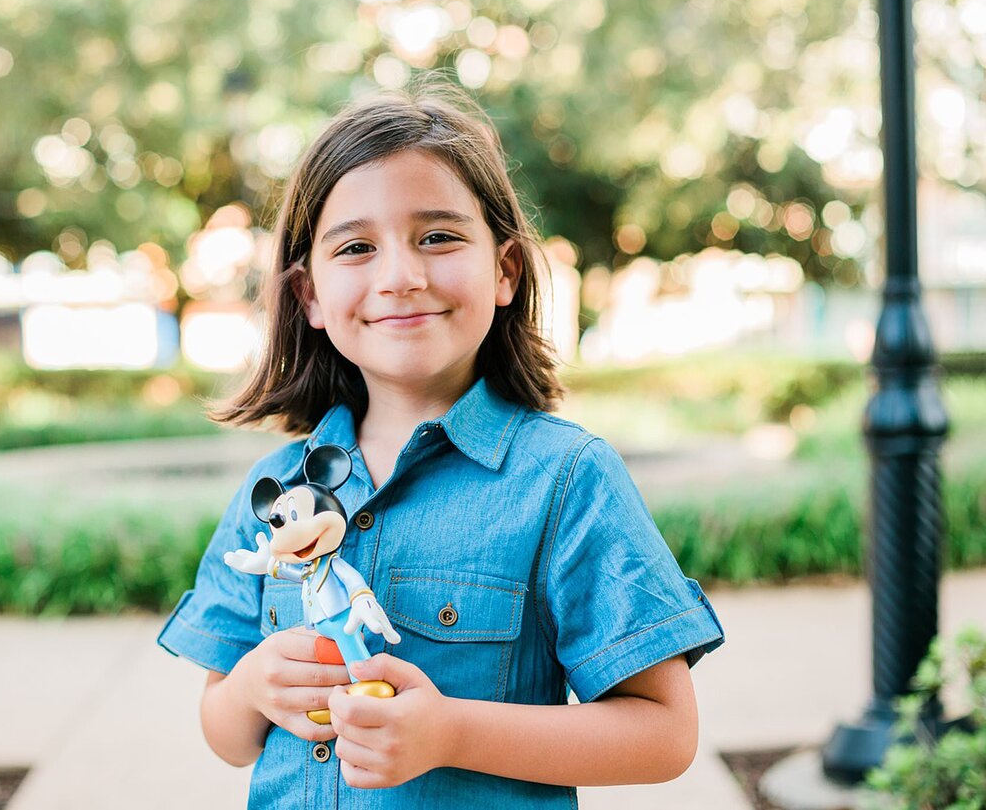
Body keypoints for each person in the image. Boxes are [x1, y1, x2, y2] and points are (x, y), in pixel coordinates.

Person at [157, 80, 725, 809]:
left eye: (438, 236)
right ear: (310, 297)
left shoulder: (565, 479)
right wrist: (251, 686)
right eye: (357, 246)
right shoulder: (275, 492)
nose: (401, 275)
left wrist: (450, 732)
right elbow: (226, 733)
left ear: (505, 270)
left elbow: (664, 734)